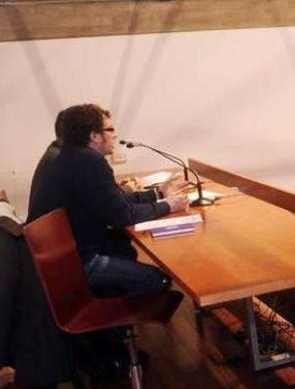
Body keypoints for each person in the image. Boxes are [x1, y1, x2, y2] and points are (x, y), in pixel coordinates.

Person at [27, 103, 188, 296]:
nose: (115, 135)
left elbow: (112, 201)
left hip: (57, 256)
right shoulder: (89, 162)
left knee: (123, 247)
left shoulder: (70, 155)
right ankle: (116, 320)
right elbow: (122, 216)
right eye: (110, 129)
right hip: (77, 264)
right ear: (94, 136)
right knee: (156, 278)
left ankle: (117, 314)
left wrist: (159, 193)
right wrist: (168, 206)